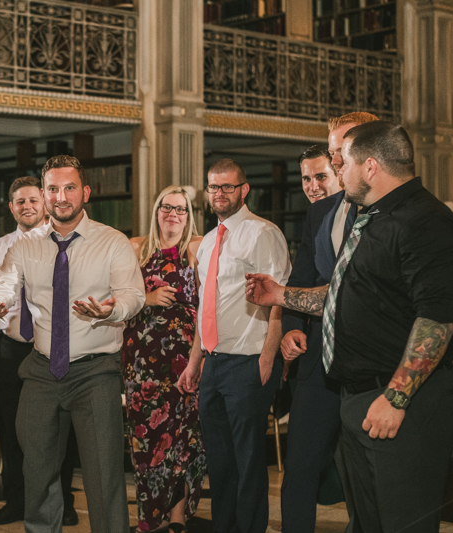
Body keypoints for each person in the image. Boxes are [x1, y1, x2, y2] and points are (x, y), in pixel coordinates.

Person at [245, 121, 453, 533]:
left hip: (397, 401)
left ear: (371, 166)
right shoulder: (372, 217)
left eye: (346, 162)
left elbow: (438, 319)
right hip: (356, 396)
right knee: (368, 522)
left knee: (403, 521)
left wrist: (395, 398)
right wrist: (280, 296)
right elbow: (342, 295)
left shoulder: (426, 220)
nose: (340, 170)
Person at [0, 155, 145, 533]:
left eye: (69, 188)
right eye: (52, 189)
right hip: (41, 370)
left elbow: (133, 295)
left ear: (85, 192)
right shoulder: (25, 245)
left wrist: (108, 310)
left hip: (96, 371)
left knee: (103, 476)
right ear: (44, 193)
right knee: (36, 470)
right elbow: (3, 282)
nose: (61, 197)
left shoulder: (112, 242)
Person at [176, 158, 291, 533]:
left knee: (248, 461)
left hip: (248, 363)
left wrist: (268, 359)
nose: (219, 194)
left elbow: (278, 300)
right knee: (220, 463)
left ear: (244, 190)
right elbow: (205, 307)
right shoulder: (208, 242)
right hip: (213, 363)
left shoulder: (262, 233)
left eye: (227, 187)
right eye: (213, 187)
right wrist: (195, 362)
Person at [0, 176, 80, 526]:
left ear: (45, 201)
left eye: (33, 199)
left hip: (54, 349)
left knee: (59, 430)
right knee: (11, 430)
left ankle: (64, 503)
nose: (27, 206)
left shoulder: (64, 243)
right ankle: (16, 501)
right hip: (10, 348)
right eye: (20, 201)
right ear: (11, 207)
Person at [279, 126, 373, 533]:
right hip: (315, 360)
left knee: (361, 469)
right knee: (300, 463)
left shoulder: (373, 209)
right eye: (305, 178)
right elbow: (300, 278)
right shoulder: (316, 215)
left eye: (321, 176)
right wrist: (290, 327)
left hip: (365, 362)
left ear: (342, 172)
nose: (313, 186)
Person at [124, 185, 206, 533]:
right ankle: (148, 517)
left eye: (181, 209)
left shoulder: (197, 247)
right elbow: (118, 296)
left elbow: (210, 301)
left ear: (189, 215)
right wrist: (147, 297)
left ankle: (176, 518)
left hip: (186, 357)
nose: (173, 214)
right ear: (155, 210)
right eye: (166, 207)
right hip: (142, 359)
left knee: (184, 437)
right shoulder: (134, 248)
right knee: (147, 439)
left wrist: (200, 357)